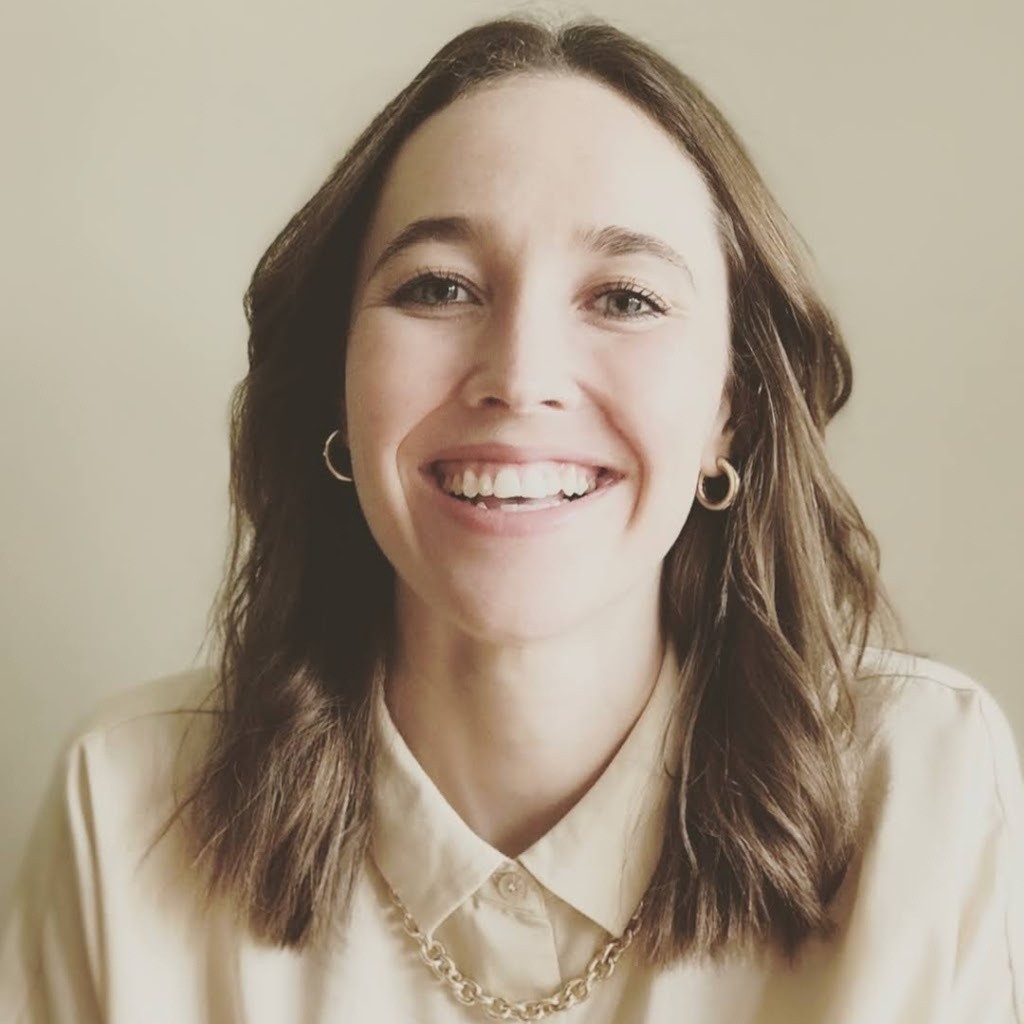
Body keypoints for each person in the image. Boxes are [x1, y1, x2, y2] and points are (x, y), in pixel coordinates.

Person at [1, 13, 1021, 1023]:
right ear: (337, 387)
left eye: (625, 298)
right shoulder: (121, 812)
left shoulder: (925, 795)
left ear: (730, 410)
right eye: (439, 286)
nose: (521, 376)